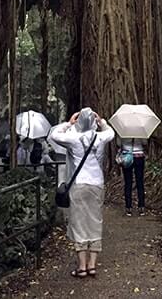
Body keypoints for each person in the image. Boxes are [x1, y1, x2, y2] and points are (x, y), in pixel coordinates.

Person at [48, 107, 114, 278]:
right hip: (96, 184)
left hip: (78, 185)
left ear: (79, 121)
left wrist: (68, 123)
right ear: (93, 122)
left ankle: (82, 267)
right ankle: (92, 265)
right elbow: (111, 133)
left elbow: (54, 135)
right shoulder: (100, 137)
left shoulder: (73, 138)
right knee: (95, 220)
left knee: (78, 222)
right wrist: (102, 123)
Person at [118, 137, 146, 216]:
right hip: (139, 156)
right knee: (140, 181)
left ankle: (128, 208)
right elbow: (145, 142)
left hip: (126, 156)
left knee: (128, 182)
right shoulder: (141, 129)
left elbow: (119, 143)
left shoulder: (122, 128)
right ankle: (141, 207)